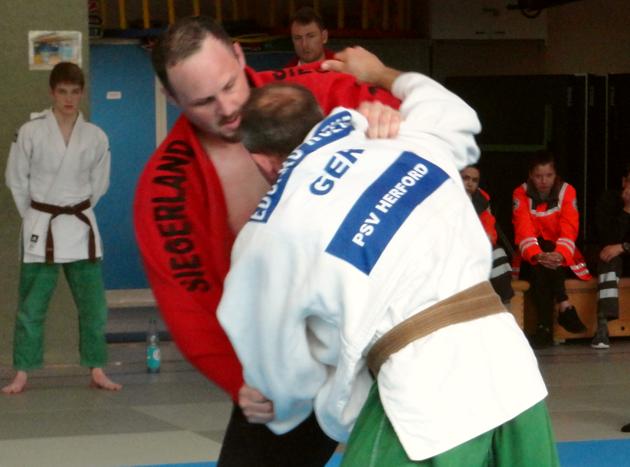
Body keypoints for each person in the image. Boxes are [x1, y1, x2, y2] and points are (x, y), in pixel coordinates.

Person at [218, 47, 559, 466]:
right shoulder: (402, 136)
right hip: (512, 372)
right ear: (318, 119)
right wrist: (378, 73)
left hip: (423, 401)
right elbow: (455, 110)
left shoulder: (269, 231)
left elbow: (281, 369)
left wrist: (280, 395)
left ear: (260, 160)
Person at [133, 15, 400, 466]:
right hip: (295, 356)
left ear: (240, 56)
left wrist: (389, 108)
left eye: (229, 85)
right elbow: (188, 300)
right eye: (203, 101)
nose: (226, 108)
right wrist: (237, 378)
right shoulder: (166, 188)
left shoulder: (314, 92)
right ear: (171, 98)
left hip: (390, 324)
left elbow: (437, 117)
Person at [3, 62, 121, 394]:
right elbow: (16, 179)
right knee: (31, 307)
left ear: (81, 93)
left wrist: (73, 207)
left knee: (94, 307)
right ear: (52, 93)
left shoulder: (95, 136)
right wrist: (36, 216)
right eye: (62, 91)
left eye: (74, 91)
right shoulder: (30, 131)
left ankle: (97, 368)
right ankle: (22, 372)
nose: (69, 98)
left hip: (80, 228)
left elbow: (99, 184)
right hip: (42, 227)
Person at [512, 151, 591, 348]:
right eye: (538, 176)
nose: (544, 181)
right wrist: (538, 255)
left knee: (543, 265)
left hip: (561, 257)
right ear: (530, 175)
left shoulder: (567, 191)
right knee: (540, 262)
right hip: (531, 257)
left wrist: (558, 255)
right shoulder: (520, 193)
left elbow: (570, 228)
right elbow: (523, 230)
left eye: (548, 175)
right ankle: (564, 304)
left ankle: (544, 328)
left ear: (555, 174)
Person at [461, 165, 514, 304]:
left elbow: (490, 231)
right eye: (466, 178)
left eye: (474, 180)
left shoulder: (482, 199)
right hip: (452, 251)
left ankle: (505, 305)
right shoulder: (445, 195)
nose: (470, 183)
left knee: (498, 253)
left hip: (476, 250)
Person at [591, 164, 630, 349]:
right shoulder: (609, 200)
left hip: (626, 251)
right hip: (612, 257)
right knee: (608, 258)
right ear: (624, 182)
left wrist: (623, 247)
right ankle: (602, 325)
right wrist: (627, 210)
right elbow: (607, 240)